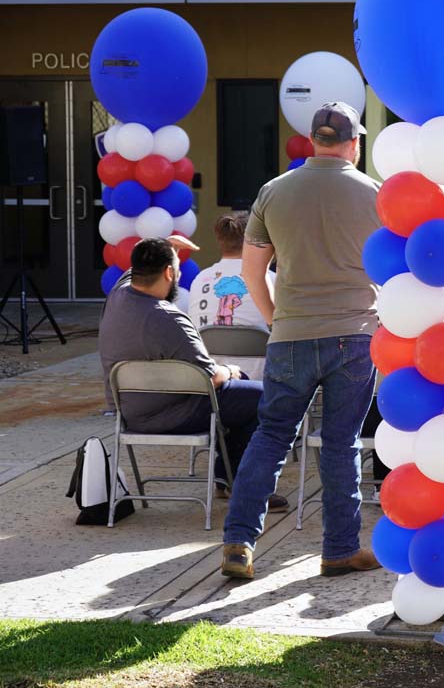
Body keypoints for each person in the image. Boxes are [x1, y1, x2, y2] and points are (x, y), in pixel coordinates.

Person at [222, 101, 382, 580]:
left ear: (314, 139)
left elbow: (252, 271)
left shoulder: (273, 191)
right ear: (354, 143)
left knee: (271, 436)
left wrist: (277, 320)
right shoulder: (376, 194)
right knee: (340, 444)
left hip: (291, 332)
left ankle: (238, 542)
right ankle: (339, 549)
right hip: (355, 334)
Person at [99, 238, 285, 511]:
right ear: (169, 273)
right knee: (265, 397)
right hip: (173, 413)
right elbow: (211, 378)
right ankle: (249, 489)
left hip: (129, 413)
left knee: (239, 400)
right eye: (178, 269)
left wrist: (163, 245)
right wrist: (232, 371)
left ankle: (227, 477)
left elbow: (132, 272)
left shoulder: (116, 298)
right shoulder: (169, 319)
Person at [188, 212, 275, 379]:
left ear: (220, 241)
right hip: (261, 382)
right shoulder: (272, 280)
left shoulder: (199, 280)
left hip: (212, 382)